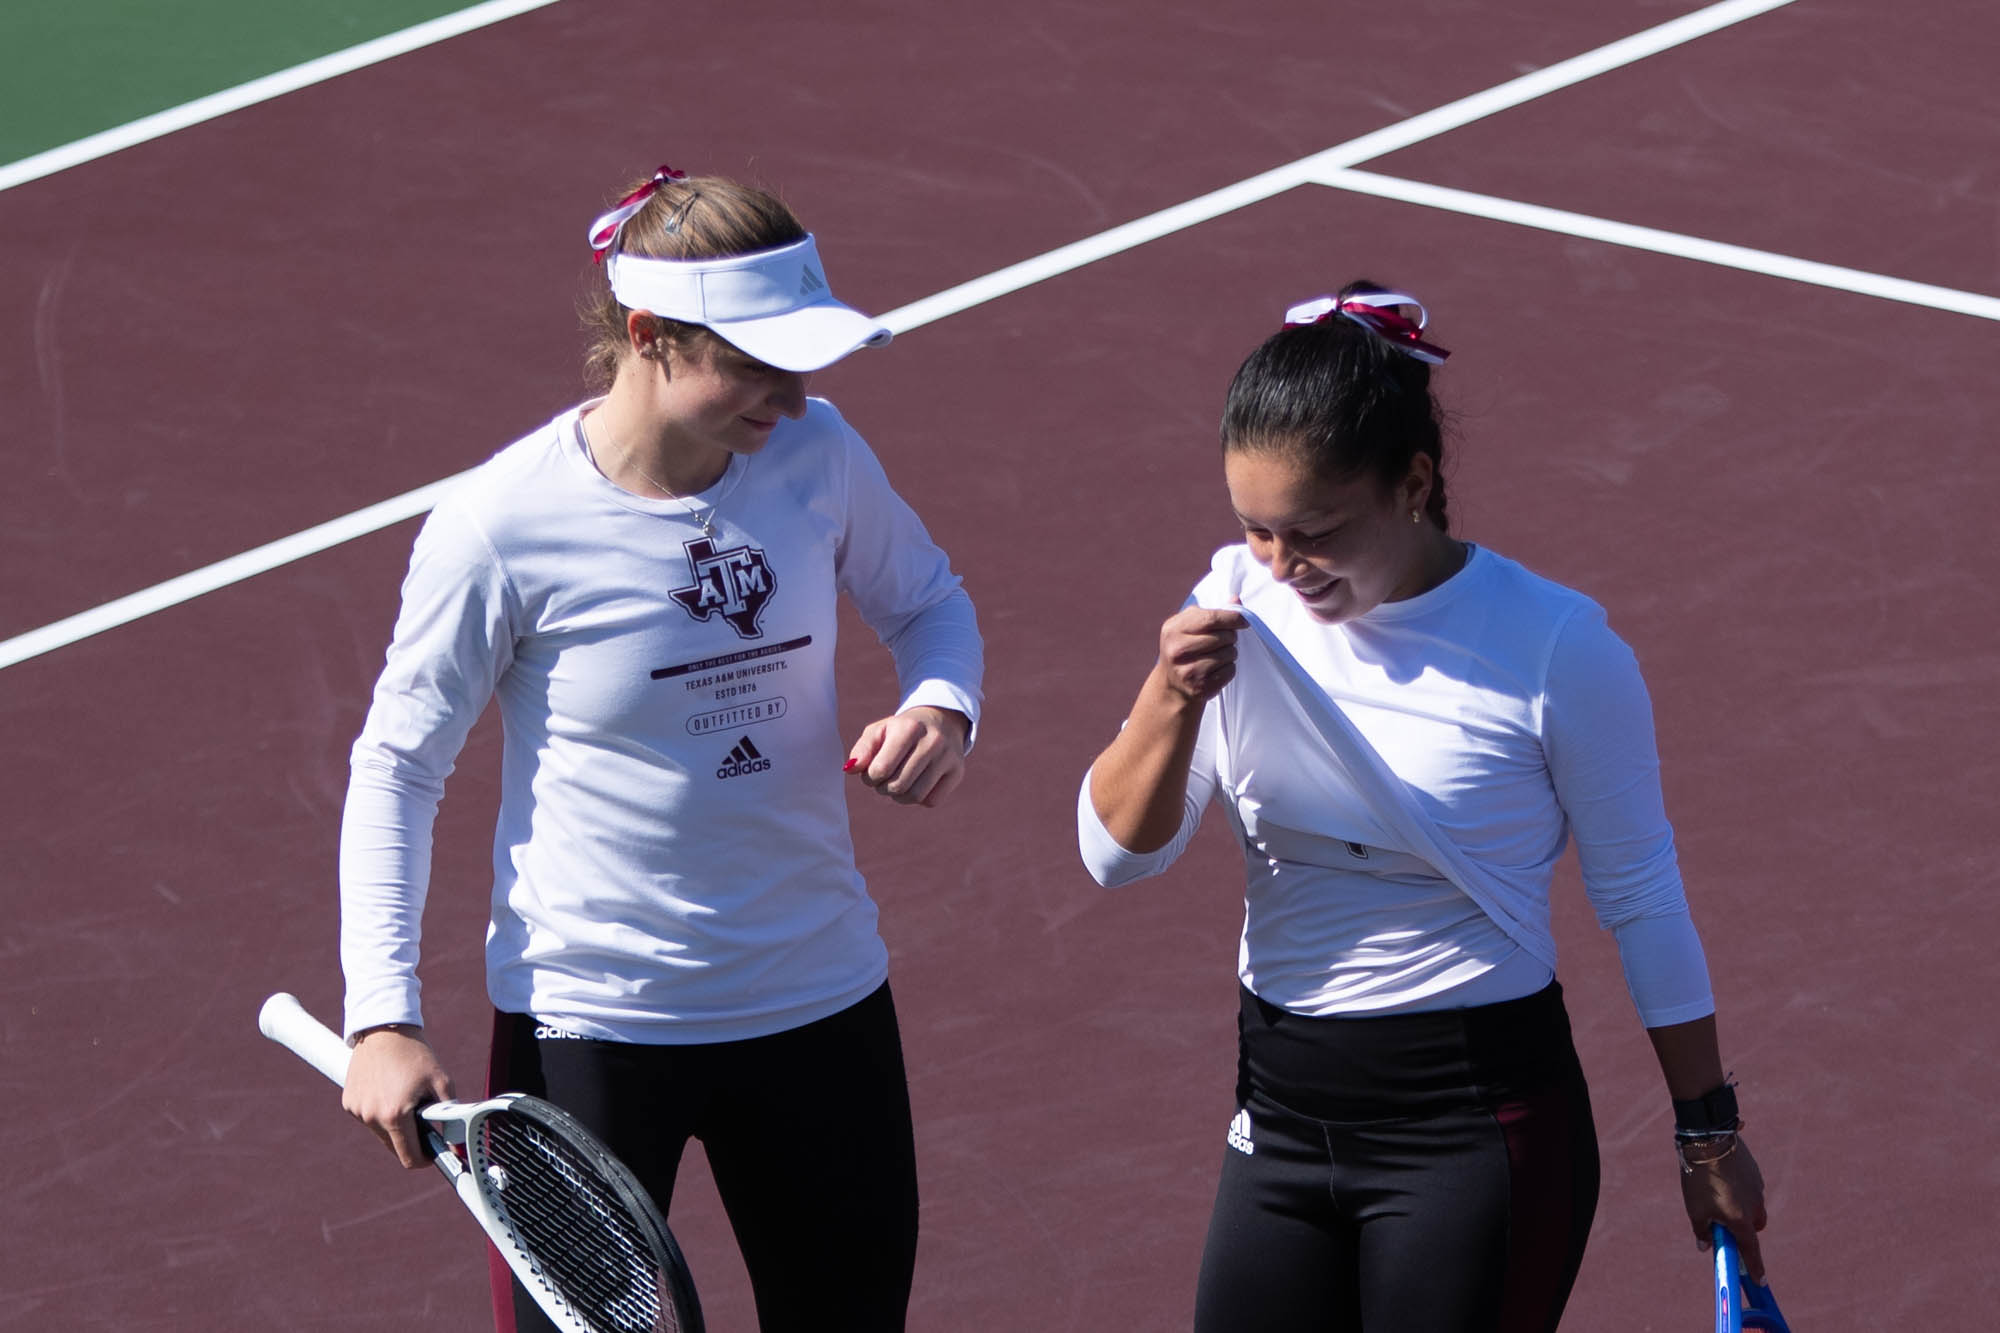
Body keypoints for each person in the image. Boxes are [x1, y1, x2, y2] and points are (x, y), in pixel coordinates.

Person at [336, 164, 982, 1333]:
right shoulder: (501, 528)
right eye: (751, 365)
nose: (785, 399)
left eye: (798, 364)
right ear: (647, 336)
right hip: (590, 1032)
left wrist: (941, 703)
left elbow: (928, 600)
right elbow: (398, 766)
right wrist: (382, 1012)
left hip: (816, 1001)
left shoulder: (819, 456)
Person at [1077, 282, 1767, 1331]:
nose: (1280, 565)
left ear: (1412, 482)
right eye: (1254, 530)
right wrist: (1166, 695)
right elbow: (1113, 858)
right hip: (1278, 1110)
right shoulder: (1234, 602)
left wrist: (1703, 1134)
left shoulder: (1553, 647)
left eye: (1311, 531)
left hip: (1472, 1129)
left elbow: (1640, 897)